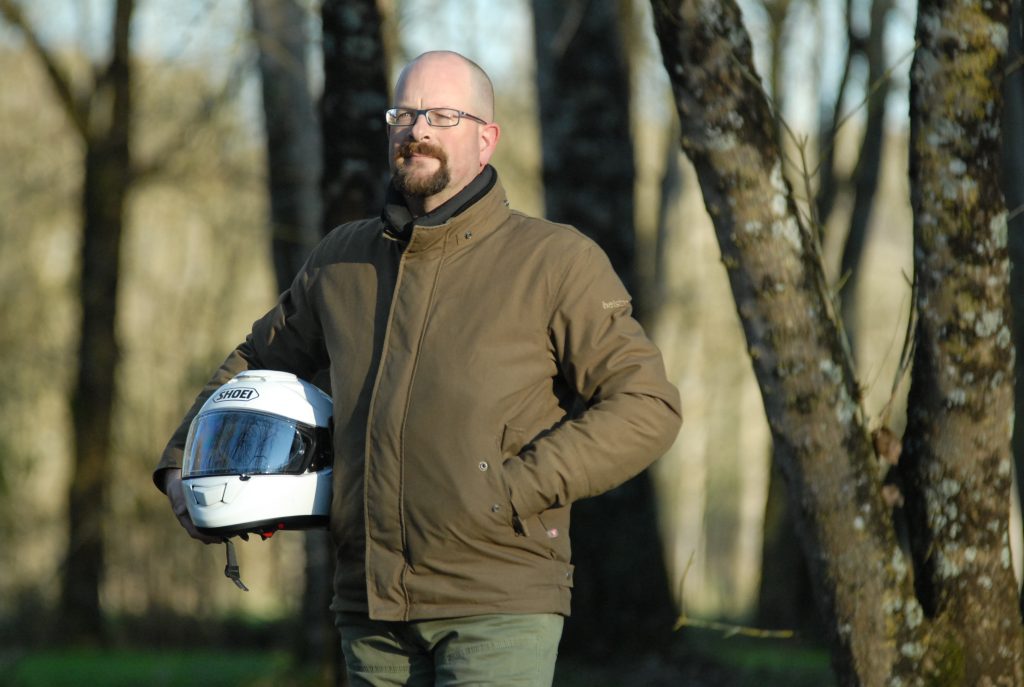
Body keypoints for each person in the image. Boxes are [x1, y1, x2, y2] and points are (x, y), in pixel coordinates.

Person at [155, 50, 682, 686]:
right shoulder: (341, 259)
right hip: (370, 609)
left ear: (486, 139)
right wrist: (183, 460)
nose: (418, 130)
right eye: (403, 113)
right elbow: (253, 362)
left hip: (498, 603)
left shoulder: (554, 261)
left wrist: (511, 491)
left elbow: (646, 405)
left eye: (442, 114)